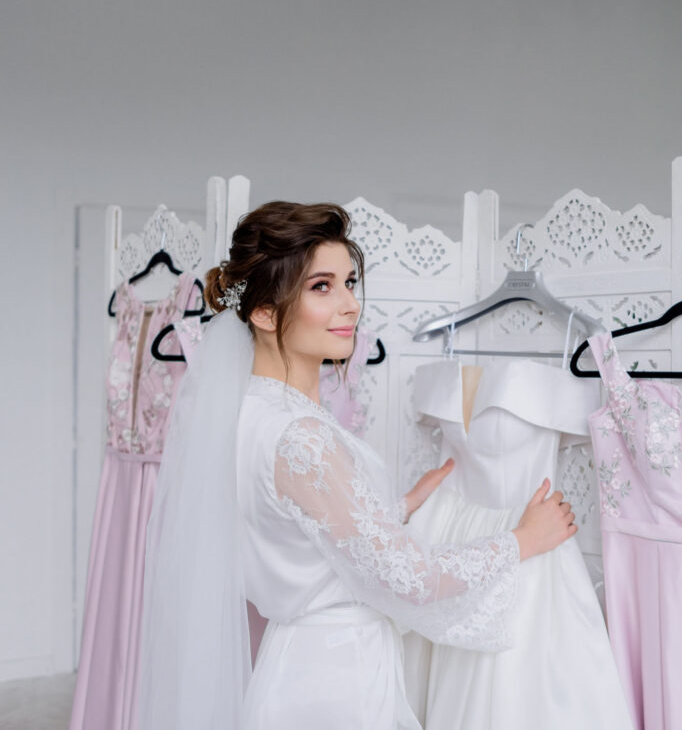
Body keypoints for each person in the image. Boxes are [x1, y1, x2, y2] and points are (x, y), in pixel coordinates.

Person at [135, 201, 577, 729]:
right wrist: (523, 539)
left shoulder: (248, 410)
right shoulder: (299, 435)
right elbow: (409, 580)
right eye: (322, 287)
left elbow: (297, 529)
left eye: (349, 282)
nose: (350, 305)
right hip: (336, 678)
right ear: (265, 312)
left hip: (301, 664)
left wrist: (397, 505)